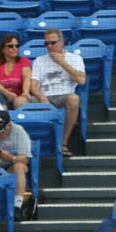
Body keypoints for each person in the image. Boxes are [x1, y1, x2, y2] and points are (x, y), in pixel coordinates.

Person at [31, 29, 86, 157]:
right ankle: (32, 144)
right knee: (20, 102)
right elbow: (33, 85)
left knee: (74, 99)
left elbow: (81, 80)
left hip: (64, 95)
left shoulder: (75, 58)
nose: (49, 46)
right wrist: (42, 97)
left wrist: (62, 62)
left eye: (53, 43)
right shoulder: (39, 60)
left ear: (61, 42)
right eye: (46, 44)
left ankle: (63, 142)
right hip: (44, 96)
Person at [0, 34, 32, 110]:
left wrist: (25, 92)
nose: (14, 48)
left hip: (19, 96)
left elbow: (26, 79)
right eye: (10, 46)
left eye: (17, 46)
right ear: (3, 49)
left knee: (20, 101)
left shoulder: (24, 61)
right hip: (2, 96)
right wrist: (7, 93)